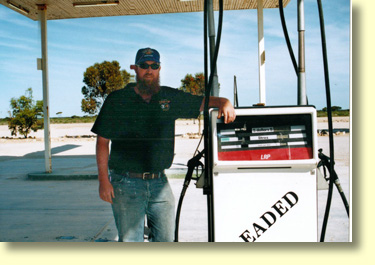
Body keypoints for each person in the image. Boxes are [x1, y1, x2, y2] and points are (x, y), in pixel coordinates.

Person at [91, 47, 236, 242]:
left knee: (166, 239)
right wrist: (103, 180)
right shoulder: (117, 100)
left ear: (159, 69)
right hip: (125, 183)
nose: (149, 70)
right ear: (135, 68)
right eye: (144, 65)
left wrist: (223, 101)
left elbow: (201, 102)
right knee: (130, 241)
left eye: (154, 65)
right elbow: (102, 142)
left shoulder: (169, 98)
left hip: (160, 182)